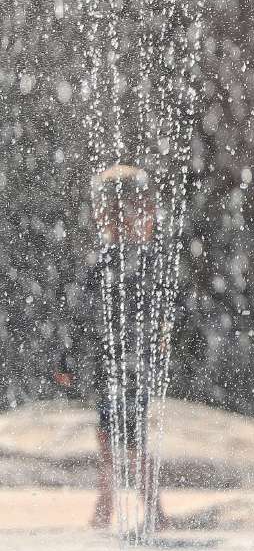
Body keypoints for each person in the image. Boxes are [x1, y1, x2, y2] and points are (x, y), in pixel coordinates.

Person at [53, 164, 169, 529]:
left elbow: (161, 310)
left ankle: (139, 505)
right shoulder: (108, 263)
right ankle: (120, 502)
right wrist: (69, 358)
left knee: (127, 434)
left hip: (129, 358)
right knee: (112, 431)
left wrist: (160, 338)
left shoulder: (139, 263)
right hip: (113, 359)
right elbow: (81, 315)